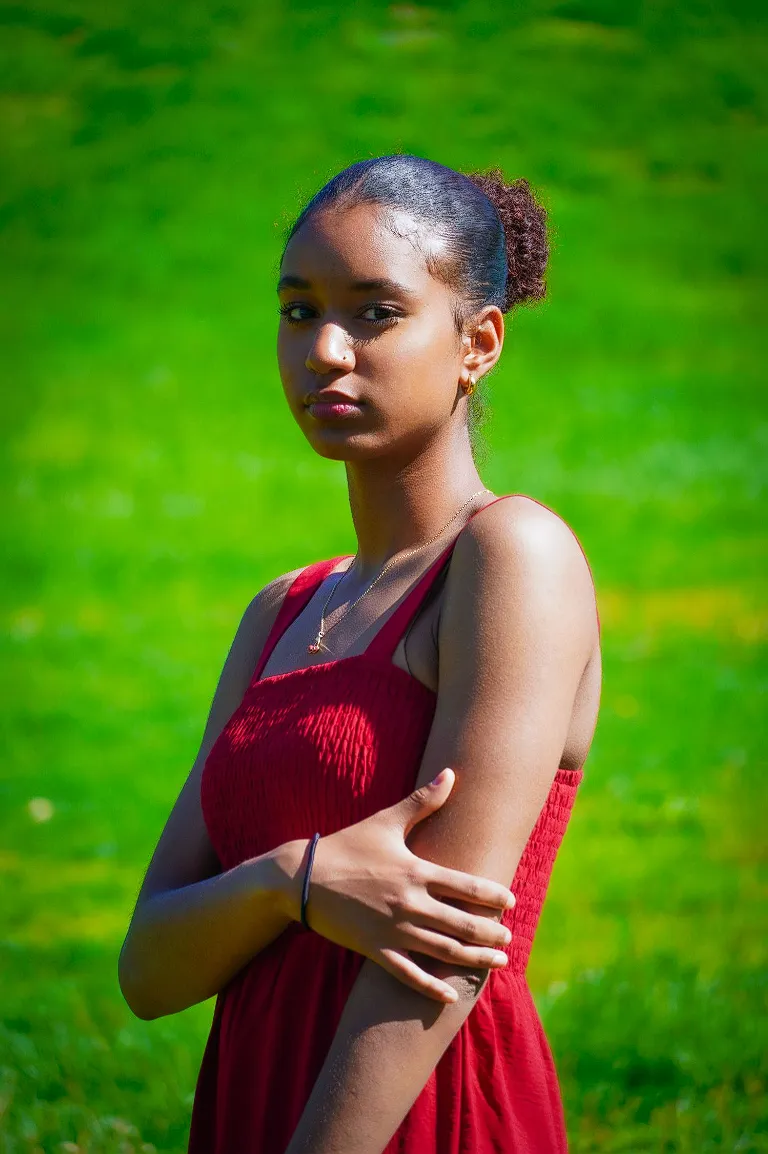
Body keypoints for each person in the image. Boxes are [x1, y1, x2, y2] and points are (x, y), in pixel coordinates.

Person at [118, 154, 601, 1153]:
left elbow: (441, 952)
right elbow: (151, 969)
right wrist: (289, 880)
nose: (325, 351)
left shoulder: (511, 556)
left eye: (376, 313)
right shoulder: (280, 608)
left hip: (417, 1100)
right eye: (298, 311)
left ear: (478, 342)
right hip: (254, 1093)